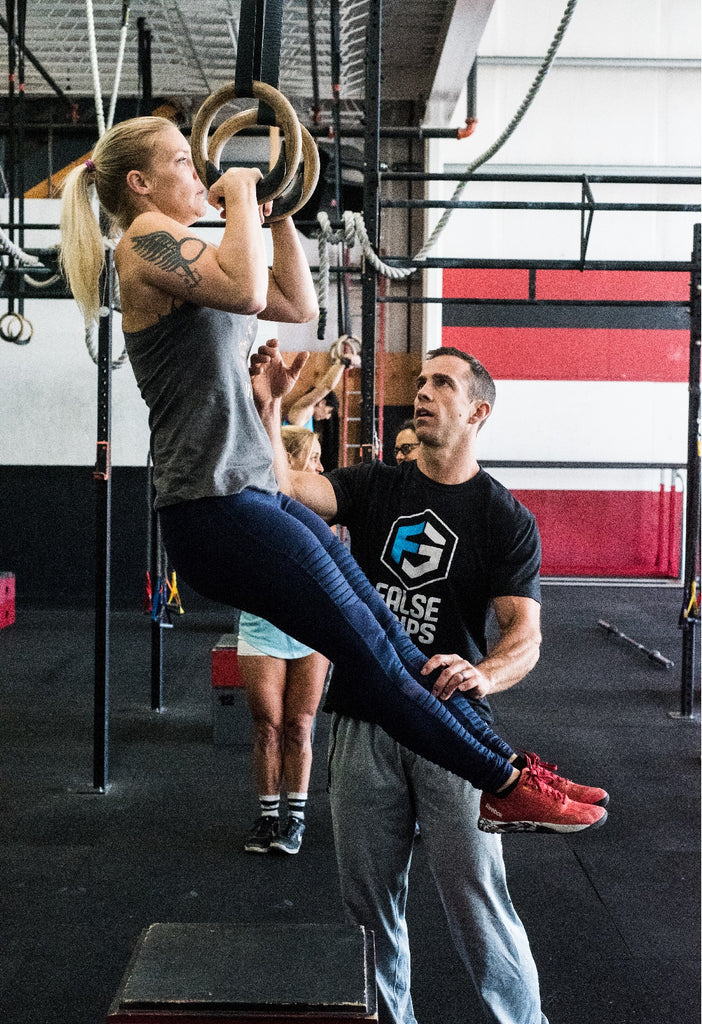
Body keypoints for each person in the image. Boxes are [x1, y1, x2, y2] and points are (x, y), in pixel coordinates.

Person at [59, 115, 604, 838]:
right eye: (184, 163)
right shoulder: (141, 241)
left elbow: (296, 304)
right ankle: (501, 783)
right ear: (139, 183)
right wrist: (246, 188)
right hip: (211, 510)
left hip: (249, 494)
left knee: (393, 638)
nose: (200, 174)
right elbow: (251, 293)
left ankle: (511, 765)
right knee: (370, 654)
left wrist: (278, 207)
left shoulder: (183, 244)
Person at [254, 342, 610, 1024]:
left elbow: (525, 637)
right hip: (364, 717)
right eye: (420, 381)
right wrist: (271, 407)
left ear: (476, 411)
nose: (422, 392)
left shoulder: (504, 518)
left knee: (478, 903)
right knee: (369, 910)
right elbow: (288, 488)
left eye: (441, 384)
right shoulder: (376, 485)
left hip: (451, 726)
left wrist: (482, 673)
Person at [239, 427, 328, 856]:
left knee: (299, 726)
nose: (320, 467)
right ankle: (268, 815)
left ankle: (295, 818)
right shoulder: (256, 503)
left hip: (313, 626)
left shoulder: (323, 506)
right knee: (266, 727)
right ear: (287, 458)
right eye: (313, 457)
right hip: (262, 623)